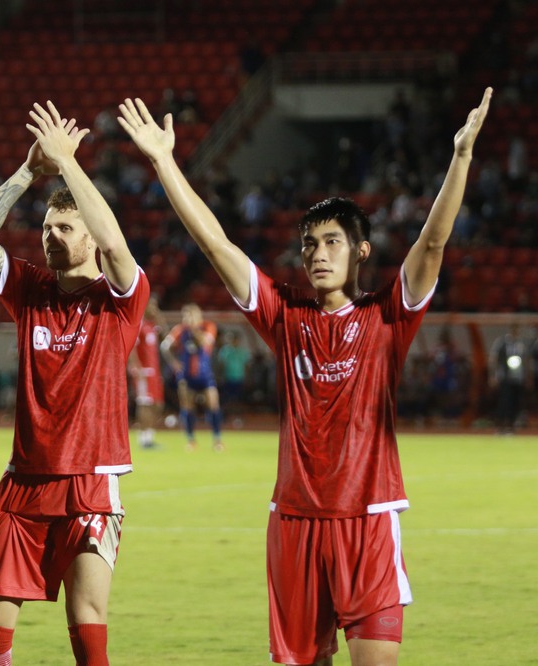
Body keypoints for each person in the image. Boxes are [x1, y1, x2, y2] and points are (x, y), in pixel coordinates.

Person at [120, 88, 492, 665]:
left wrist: (462, 156)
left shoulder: (387, 318)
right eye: (309, 245)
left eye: (332, 242)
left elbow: (433, 242)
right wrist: (165, 161)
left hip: (368, 522)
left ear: (361, 250)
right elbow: (215, 244)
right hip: (293, 524)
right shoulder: (285, 315)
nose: (317, 254)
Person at [0, 101, 149, 666]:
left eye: (65, 227)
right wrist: (29, 172)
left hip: (90, 478)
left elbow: (117, 249)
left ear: (89, 236)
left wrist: (69, 165)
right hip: (23, 483)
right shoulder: (30, 289)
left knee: (86, 622)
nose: (51, 236)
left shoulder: (119, 301)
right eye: (46, 227)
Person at [160, 303, 224, 451]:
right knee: (187, 407)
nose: (187, 319)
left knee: (213, 405)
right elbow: (164, 346)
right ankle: (190, 440)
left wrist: (194, 329)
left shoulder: (208, 327)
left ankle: (217, 439)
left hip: (205, 374)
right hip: (186, 375)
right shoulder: (179, 330)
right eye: (185, 316)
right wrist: (174, 363)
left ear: (198, 315)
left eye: (190, 315)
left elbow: (205, 342)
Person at [129, 296, 165, 449]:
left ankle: (149, 436)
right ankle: (144, 439)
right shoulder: (139, 325)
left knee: (158, 405)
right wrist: (135, 367)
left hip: (154, 372)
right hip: (143, 372)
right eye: (152, 306)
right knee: (145, 404)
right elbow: (132, 348)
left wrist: (158, 315)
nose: (154, 309)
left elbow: (165, 333)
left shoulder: (152, 326)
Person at [490, 323, 528, 434]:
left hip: (518, 378)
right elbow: (494, 358)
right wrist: (493, 375)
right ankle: (500, 426)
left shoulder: (521, 344)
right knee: (505, 401)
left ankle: (511, 426)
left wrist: (527, 375)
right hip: (505, 377)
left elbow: (526, 360)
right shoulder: (502, 342)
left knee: (516, 402)